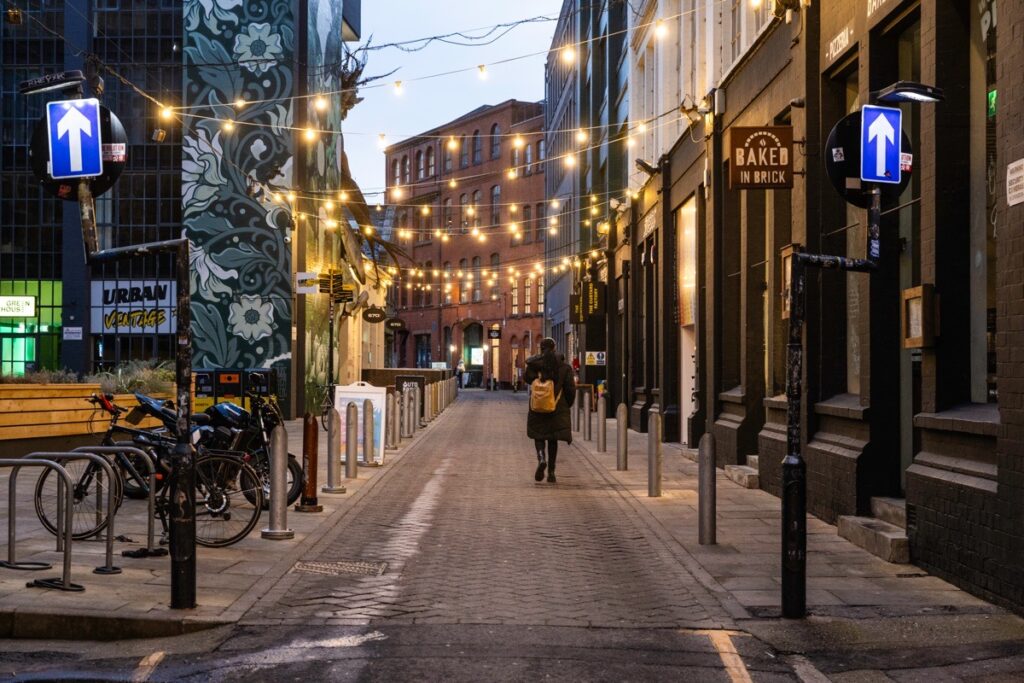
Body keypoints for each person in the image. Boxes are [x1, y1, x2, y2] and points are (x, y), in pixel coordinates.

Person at [524, 337, 575, 483]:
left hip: (537, 407)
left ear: (541, 349)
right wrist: (567, 405)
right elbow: (570, 389)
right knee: (553, 439)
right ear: (555, 348)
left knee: (539, 436)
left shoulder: (534, 366)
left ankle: (541, 458)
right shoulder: (564, 368)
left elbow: (527, 379)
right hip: (557, 408)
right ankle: (551, 472)